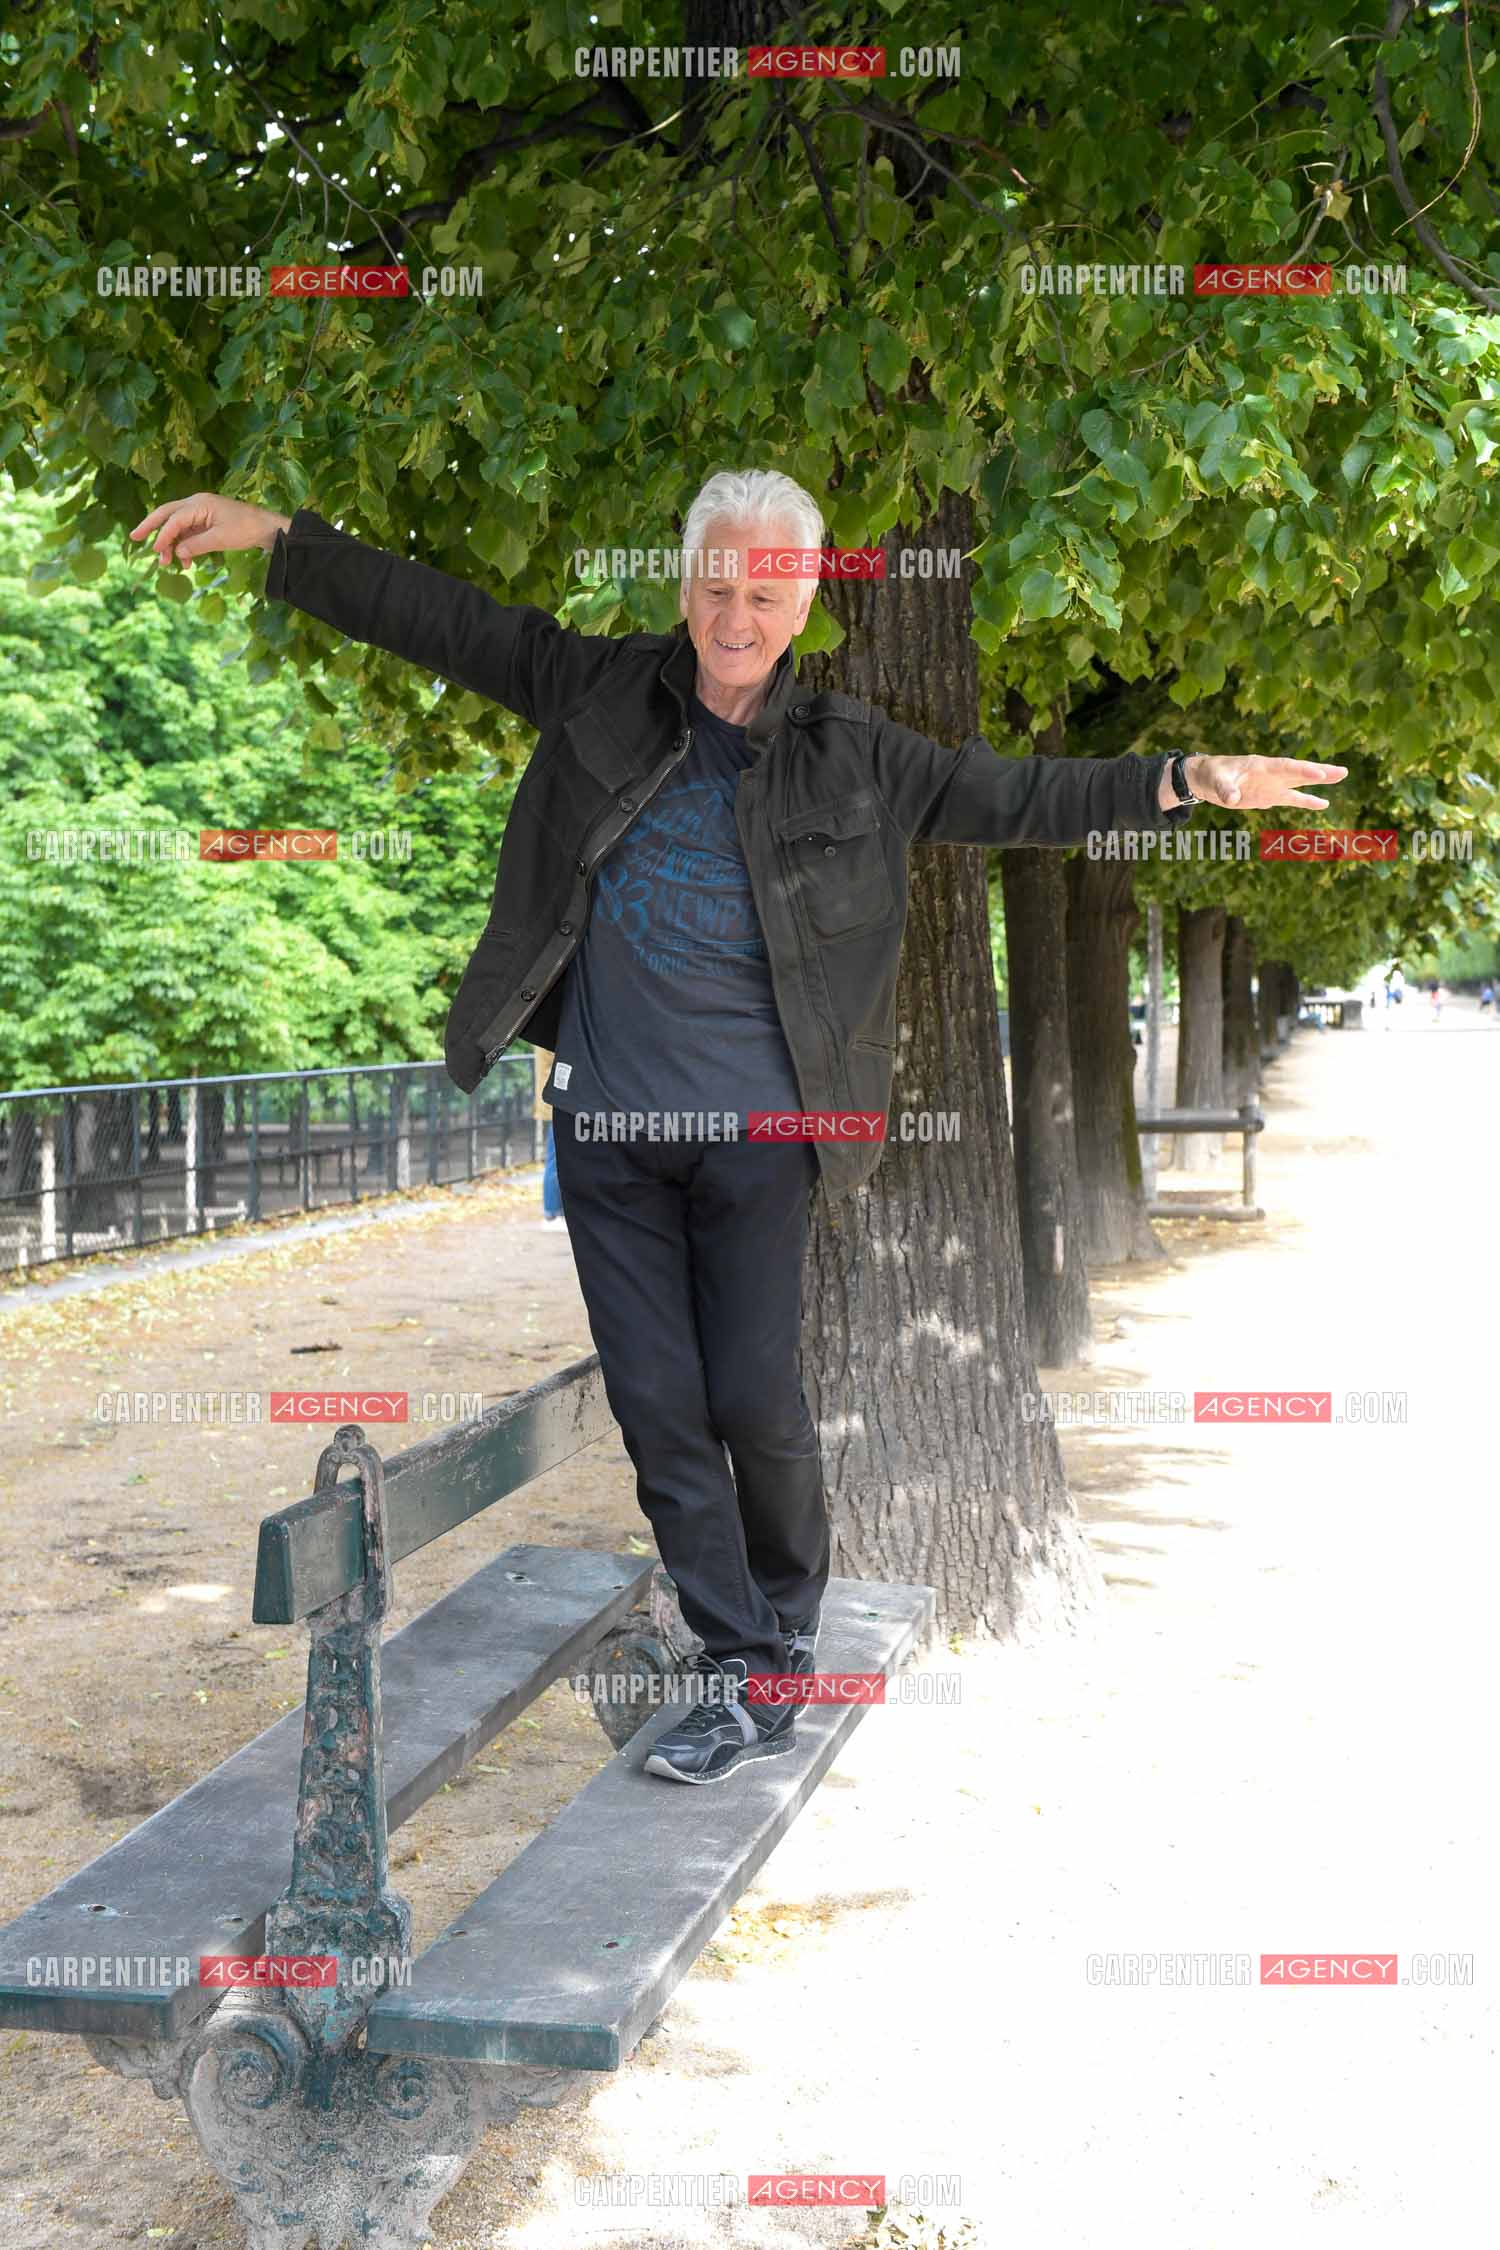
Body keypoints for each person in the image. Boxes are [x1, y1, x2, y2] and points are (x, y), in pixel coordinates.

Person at [130, 476, 1349, 1786]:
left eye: (766, 592)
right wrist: (284, 540)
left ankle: (782, 1637)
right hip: (609, 1132)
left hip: (761, 1138)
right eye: (718, 583)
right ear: (683, 580)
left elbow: (1018, 796)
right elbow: (440, 616)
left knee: (755, 1398)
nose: (736, 613)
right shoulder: (593, 686)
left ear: (807, 600)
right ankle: (739, 1669)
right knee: (662, 1411)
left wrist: (1186, 776)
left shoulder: (858, 753)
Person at [533, 1047, 565, 1228]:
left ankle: (554, 1212)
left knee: (556, 1158)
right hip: (556, 1103)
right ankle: (552, 1213)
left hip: (552, 1103)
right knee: (555, 1159)